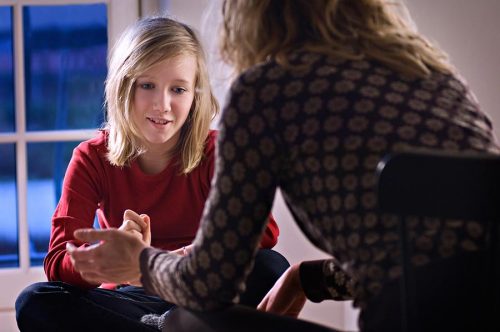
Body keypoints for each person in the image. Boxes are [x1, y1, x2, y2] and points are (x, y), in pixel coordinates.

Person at [64, 1, 500, 331]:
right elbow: (436, 247)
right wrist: (311, 278)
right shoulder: (432, 73)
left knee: (184, 323)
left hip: (404, 318)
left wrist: (141, 262)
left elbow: (211, 286)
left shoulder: (268, 90)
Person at [15, 16, 289, 332]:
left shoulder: (219, 151)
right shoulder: (91, 158)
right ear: (123, 86)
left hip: (202, 290)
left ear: (194, 96)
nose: (162, 105)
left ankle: (169, 325)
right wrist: (108, 258)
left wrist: (159, 263)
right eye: (147, 85)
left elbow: (263, 232)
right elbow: (57, 263)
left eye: (178, 89)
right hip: (130, 301)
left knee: (271, 267)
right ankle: (167, 326)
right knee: (36, 300)